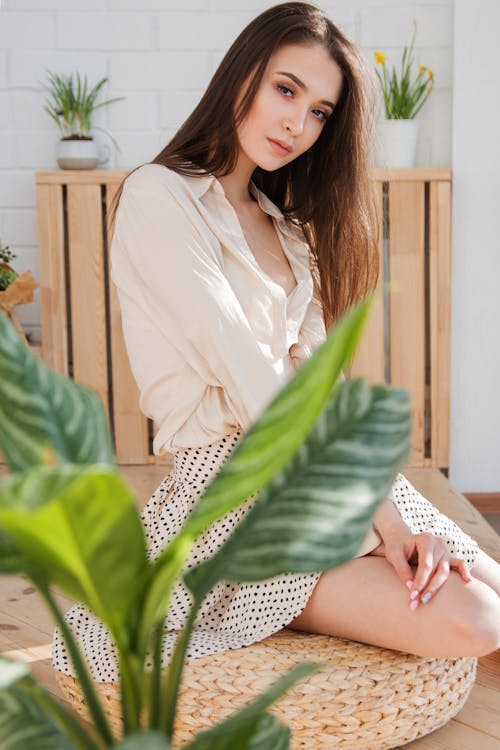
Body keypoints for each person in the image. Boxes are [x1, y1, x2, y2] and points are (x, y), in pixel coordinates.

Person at [52, 2, 500, 682]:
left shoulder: (285, 229)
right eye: (286, 90)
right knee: (477, 620)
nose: (298, 123)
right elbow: (258, 383)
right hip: (235, 501)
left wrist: (387, 507)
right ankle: (273, 599)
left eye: (320, 111)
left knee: (492, 585)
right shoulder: (159, 197)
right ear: (243, 75)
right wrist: (386, 525)